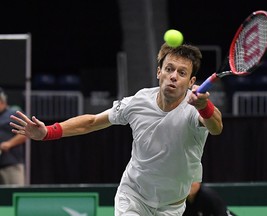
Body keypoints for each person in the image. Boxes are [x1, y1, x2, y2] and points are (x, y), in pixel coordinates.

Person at [10, 42, 223, 215]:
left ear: (191, 81)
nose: (174, 76)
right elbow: (92, 121)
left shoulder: (196, 107)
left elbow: (216, 127)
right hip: (133, 197)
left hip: (172, 206)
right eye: (169, 69)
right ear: (159, 72)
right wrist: (48, 132)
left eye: (182, 72)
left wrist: (204, 106)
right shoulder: (138, 102)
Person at [0, 87, 26, 185]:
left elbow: (25, 133)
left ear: (1, 101)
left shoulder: (14, 113)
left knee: (13, 193)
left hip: (11, 164)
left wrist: (9, 144)